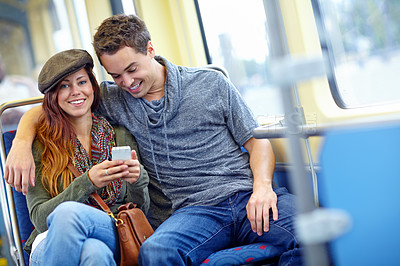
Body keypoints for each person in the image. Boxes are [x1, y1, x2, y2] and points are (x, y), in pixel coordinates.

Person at [5, 14, 302, 265]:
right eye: (117, 75)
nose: (128, 82)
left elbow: (256, 141)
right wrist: (20, 142)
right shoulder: (115, 99)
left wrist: (262, 187)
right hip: (193, 211)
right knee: (156, 252)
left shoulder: (210, 83)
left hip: (245, 193)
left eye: (132, 69)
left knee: (311, 231)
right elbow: (52, 104)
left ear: (149, 49)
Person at [22, 49, 150, 265]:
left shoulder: (119, 135)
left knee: (69, 214)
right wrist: (87, 182)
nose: (75, 91)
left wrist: (138, 180)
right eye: (64, 86)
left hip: (110, 228)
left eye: (81, 82)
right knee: (94, 253)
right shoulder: (41, 145)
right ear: (53, 96)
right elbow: (40, 219)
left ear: (92, 86)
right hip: (50, 239)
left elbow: (140, 211)